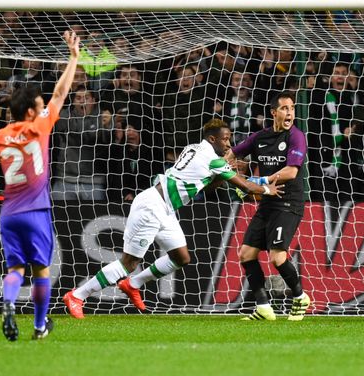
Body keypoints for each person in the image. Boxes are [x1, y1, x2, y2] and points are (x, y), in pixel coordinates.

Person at [62, 119, 283, 319]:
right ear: (212, 138)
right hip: (151, 206)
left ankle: (133, 284)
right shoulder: (213, 160)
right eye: (225, 139)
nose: (229, 144)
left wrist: (224, 174)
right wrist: (266, 190)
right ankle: (77, 295)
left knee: (181, 256)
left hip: (164, 207)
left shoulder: (194, 149)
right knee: (128, 263)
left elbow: (207, 187)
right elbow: (244, 186)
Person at [0, 31, 80, 341]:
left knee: (15, 269)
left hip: (9, 214)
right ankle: (40, 326)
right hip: (37, 211)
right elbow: (60, 94)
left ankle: (9, 303)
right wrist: (73, 58)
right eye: (40, 106)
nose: (45, 108)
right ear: (30, 111)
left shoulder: (0, 136)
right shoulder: (40, 126)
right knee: (41, 270)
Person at [224, 91, 310, 321]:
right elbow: (230, 156)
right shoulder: (259, 137)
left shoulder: (296, 136)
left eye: (291, 108)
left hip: (288, 202)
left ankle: (300, 297)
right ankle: (263, 308)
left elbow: (291, 172)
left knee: (277, 257)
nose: (289, 112)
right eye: (284, 108)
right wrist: (229, 174)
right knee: (246, 254)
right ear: (273, 112)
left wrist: (257, 182)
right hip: (267, 203)